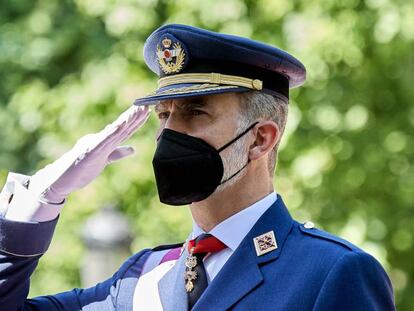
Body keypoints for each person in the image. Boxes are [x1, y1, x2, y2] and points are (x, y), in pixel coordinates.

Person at [0, 24, 395, 311]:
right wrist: (36, 205)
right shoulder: (143, 277)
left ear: (261, 139)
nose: (168, 133)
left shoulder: (330, 271)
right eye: (164, 115)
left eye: (194, 112)